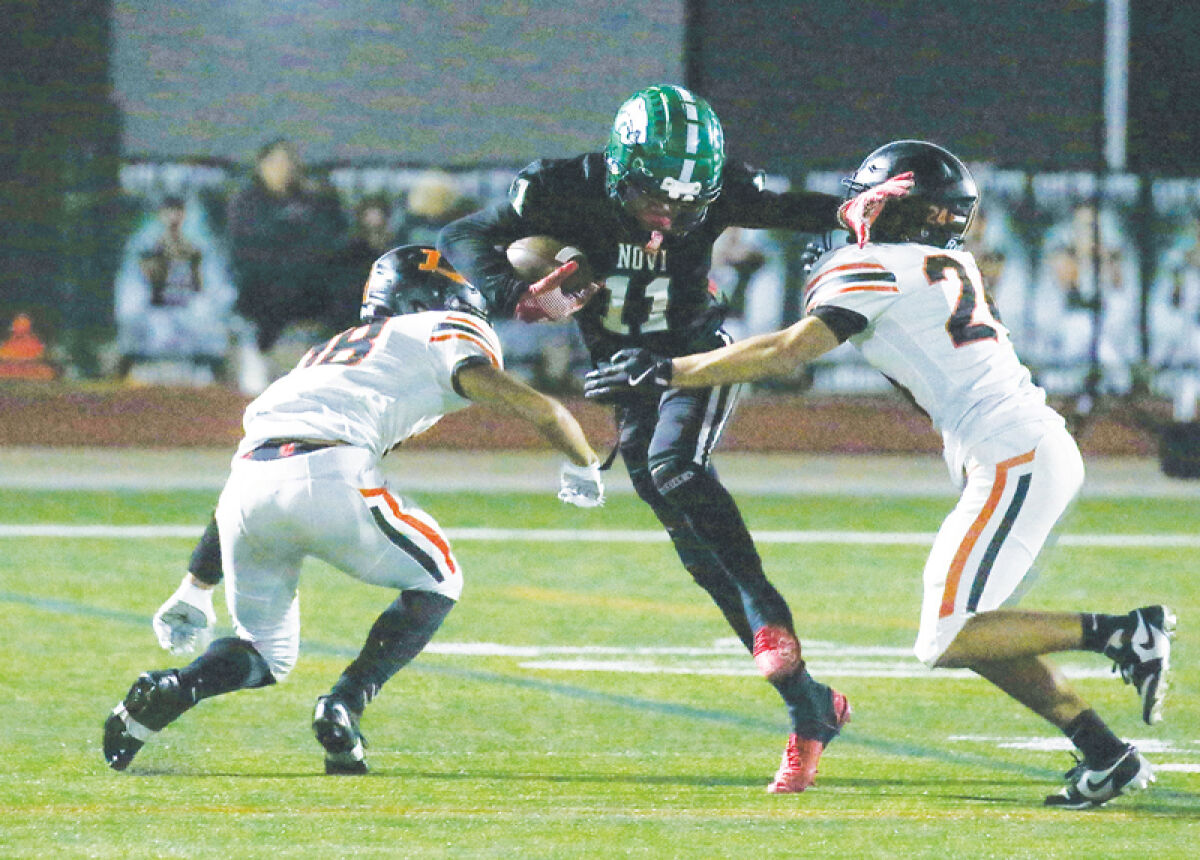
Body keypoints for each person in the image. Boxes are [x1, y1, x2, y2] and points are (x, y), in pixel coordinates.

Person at [583, 140, 1177, 809]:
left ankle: (1124, 631)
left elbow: (788, 352)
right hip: (1017, 452)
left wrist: (665, 369)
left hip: (1014, 455)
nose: (852, 211)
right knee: (970, 628)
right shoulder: (942, 262)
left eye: (870, 198)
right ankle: (1105, 753)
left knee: (947, 634)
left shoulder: (876, 264)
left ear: (900, 206)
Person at [437, 84, 912, 793]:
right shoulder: (560, 189)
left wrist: (862, 211)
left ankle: (774, 631)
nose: (669, 218)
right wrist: (514, 296)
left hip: (693, 356)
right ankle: (811, 706)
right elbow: (463, 236)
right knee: (694, 550)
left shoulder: (718, 194)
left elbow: (802, 211)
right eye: (656, 200)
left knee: (677, 467)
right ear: (620, 168)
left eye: (688, 206)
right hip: (623, 379)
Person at [103, 245, 605, 775]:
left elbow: (243, 481)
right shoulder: (442, 329)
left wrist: (195, 588)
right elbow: (541, 407)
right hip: (331, 474)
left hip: (248, 484)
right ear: (432, 297)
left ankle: (173, 689)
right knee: (439, 579)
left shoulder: (324, 353)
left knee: (266, 653)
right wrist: (584, 463)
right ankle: (345, 701)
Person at [226, 138, 349, 375]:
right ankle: (258, 361)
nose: (283, 168)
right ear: (261, 165)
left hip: (307, 291)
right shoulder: (247, 202)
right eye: (276, 162)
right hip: (261, 290)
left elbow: (326, 244)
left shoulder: (313, 201)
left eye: (288, 162)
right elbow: (249, 250)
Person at [113, 194, 237, 385]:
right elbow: (130, 282)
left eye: (178, 212)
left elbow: (216, 283)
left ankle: (214, 376)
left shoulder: (201, 244)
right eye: (168, 212)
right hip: (154, 313)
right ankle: (127, 373)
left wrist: (212, 302)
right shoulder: (144, 243)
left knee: (206, 314)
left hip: (192, 312)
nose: (173, 217)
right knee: (133, 314)